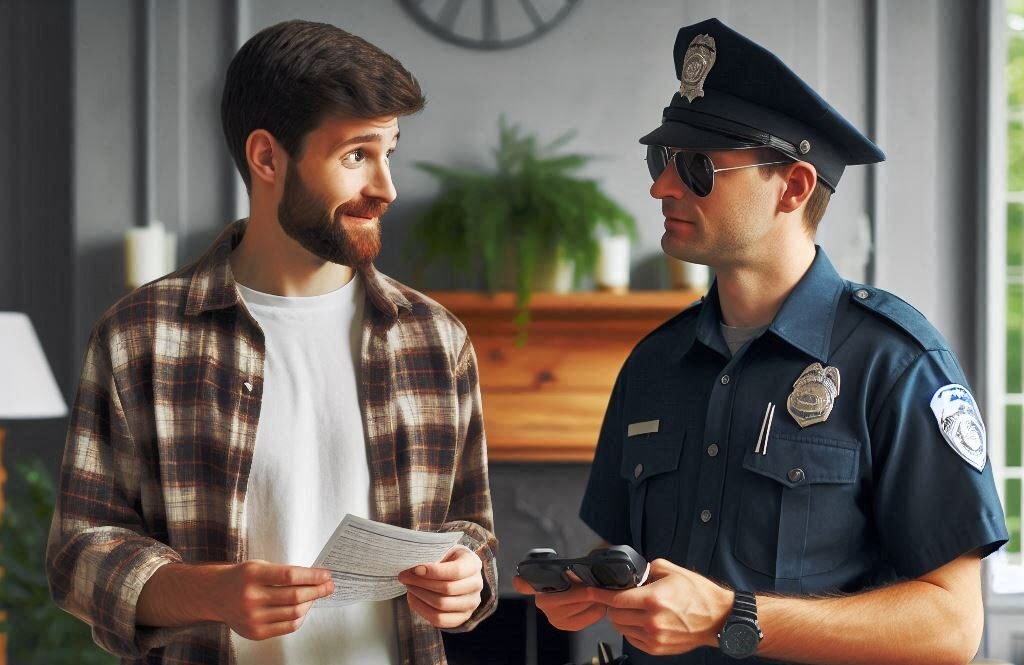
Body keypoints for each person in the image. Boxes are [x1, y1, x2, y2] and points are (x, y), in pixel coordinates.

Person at [514, 17, 1008, 664]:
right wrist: (584, 592)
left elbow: (951, 625)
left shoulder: (895, 362)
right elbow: (633, 570)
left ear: (794, 186)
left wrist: (730, 616)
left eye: (696, 167)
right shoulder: (653, 363)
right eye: (661, 159)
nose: (661, 186)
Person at [46, 20, 497, 665]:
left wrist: (466, 578)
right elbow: (80, 550)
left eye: (389, 151)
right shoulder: (138, 337)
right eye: (355, 156)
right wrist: (203, 592)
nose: (386, 188)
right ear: (266, 158)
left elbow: (471, 530)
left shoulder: (433, 339)